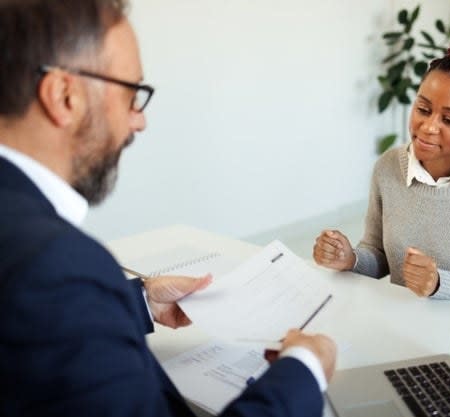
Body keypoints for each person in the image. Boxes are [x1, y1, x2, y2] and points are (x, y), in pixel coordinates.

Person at [0, 1, 336, 416]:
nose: (139, 122)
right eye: (132, 95)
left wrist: (138, 302)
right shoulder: (59, 267)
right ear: (64, 95)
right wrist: (304, 372)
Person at [313, 32, 450, 302]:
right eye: (423, 109)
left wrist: (440, 284)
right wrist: (350, 259)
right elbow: (379, 254)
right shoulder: (388, 167)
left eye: (449, 119)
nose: (429, 127)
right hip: (403, 320)